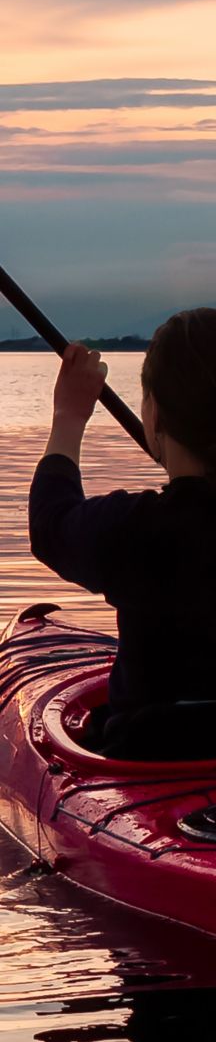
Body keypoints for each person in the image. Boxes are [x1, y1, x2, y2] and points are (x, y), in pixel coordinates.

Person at [29, 310, 216, 759]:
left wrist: (69, 417)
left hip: (152, 755)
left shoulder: (136, 529)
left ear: (153, 418)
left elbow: (50, 525)